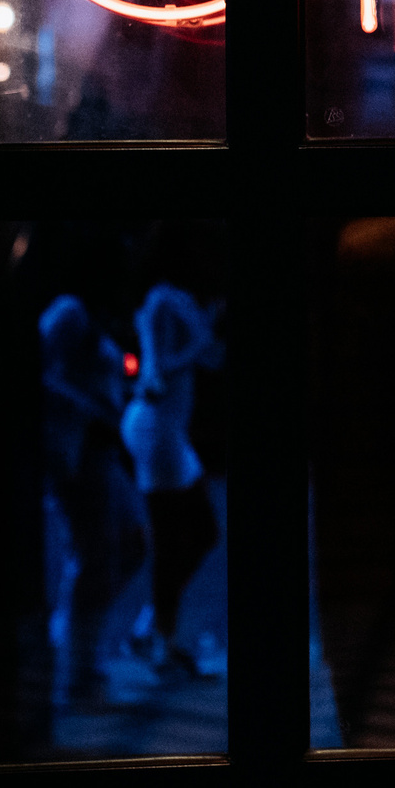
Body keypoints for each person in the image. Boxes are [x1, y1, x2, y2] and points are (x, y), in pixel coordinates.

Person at [39, 295, 147, 703]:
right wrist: (90, 406)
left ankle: (76, 649)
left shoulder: (99, 311)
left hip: (99, 450)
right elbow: (38, 371)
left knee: (131, 546)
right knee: (97, 558)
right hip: (77, 451)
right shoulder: (70, 311)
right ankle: (80, 674)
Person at [122, 283, 222, 674]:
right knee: (173, 540)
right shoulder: (163, 299)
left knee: (202, 534)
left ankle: (153, 629)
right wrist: (201, 340)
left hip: (169, 434)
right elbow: (160, 369)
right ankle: (160, 639)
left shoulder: (183, 301)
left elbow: (210, 358)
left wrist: (209, 331)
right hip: (157, 429)